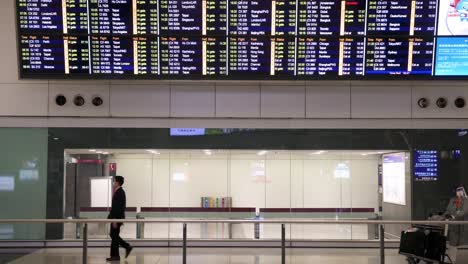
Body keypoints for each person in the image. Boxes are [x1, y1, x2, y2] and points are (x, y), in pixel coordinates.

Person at [106, 176, 133, 262]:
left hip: (116, 218)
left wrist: (114, 219)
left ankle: (119, 253)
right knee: (114, 235)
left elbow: (118, 208)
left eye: (114, 181)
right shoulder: (119, 191)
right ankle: (119, 252)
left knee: (114, 235)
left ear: (117, 182)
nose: (113, 182)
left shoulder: (120, 192)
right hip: (116, 218)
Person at [444, 186, 468, 263]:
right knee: (452, 243)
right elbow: (448, 210)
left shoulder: (466, 200)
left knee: (456, 242)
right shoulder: (452, 200)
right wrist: (447, 215)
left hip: (462, 225)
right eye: (458, 190)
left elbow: (464, 211)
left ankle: (451, 260)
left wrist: (455, 215)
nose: (459, 192)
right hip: (452, 224)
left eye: (460, 190)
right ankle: (451, 260)